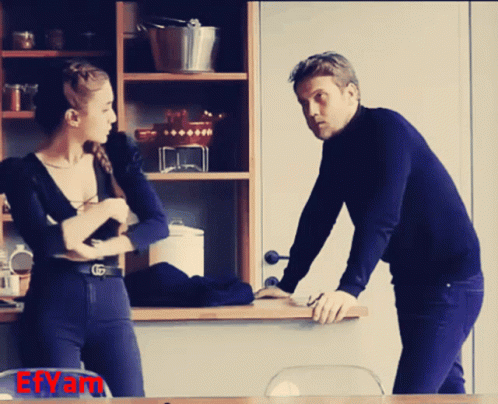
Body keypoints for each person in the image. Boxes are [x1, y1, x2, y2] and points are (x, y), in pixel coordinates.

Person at [254, 51, 484, 394]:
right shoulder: (337, 149)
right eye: (303, 103)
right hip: (409, 278)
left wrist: (349, 289)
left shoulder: (388, 131)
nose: (311, 111)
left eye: (320, 97)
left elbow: (383, 216)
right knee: (446, 392)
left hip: (450, 281)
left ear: (351, 93)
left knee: (411, 397)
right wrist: (288, 282)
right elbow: (319, 215)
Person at [0, 59, 169, 397]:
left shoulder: (118, 155)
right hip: (53, 309)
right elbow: (45, 243)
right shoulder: (20, 172)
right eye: (105, 108)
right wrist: (105, 210)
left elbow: (157, 224)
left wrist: (100, 249)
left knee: (130, 402)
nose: (113, 117)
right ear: (73, 117)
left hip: (112, 305)